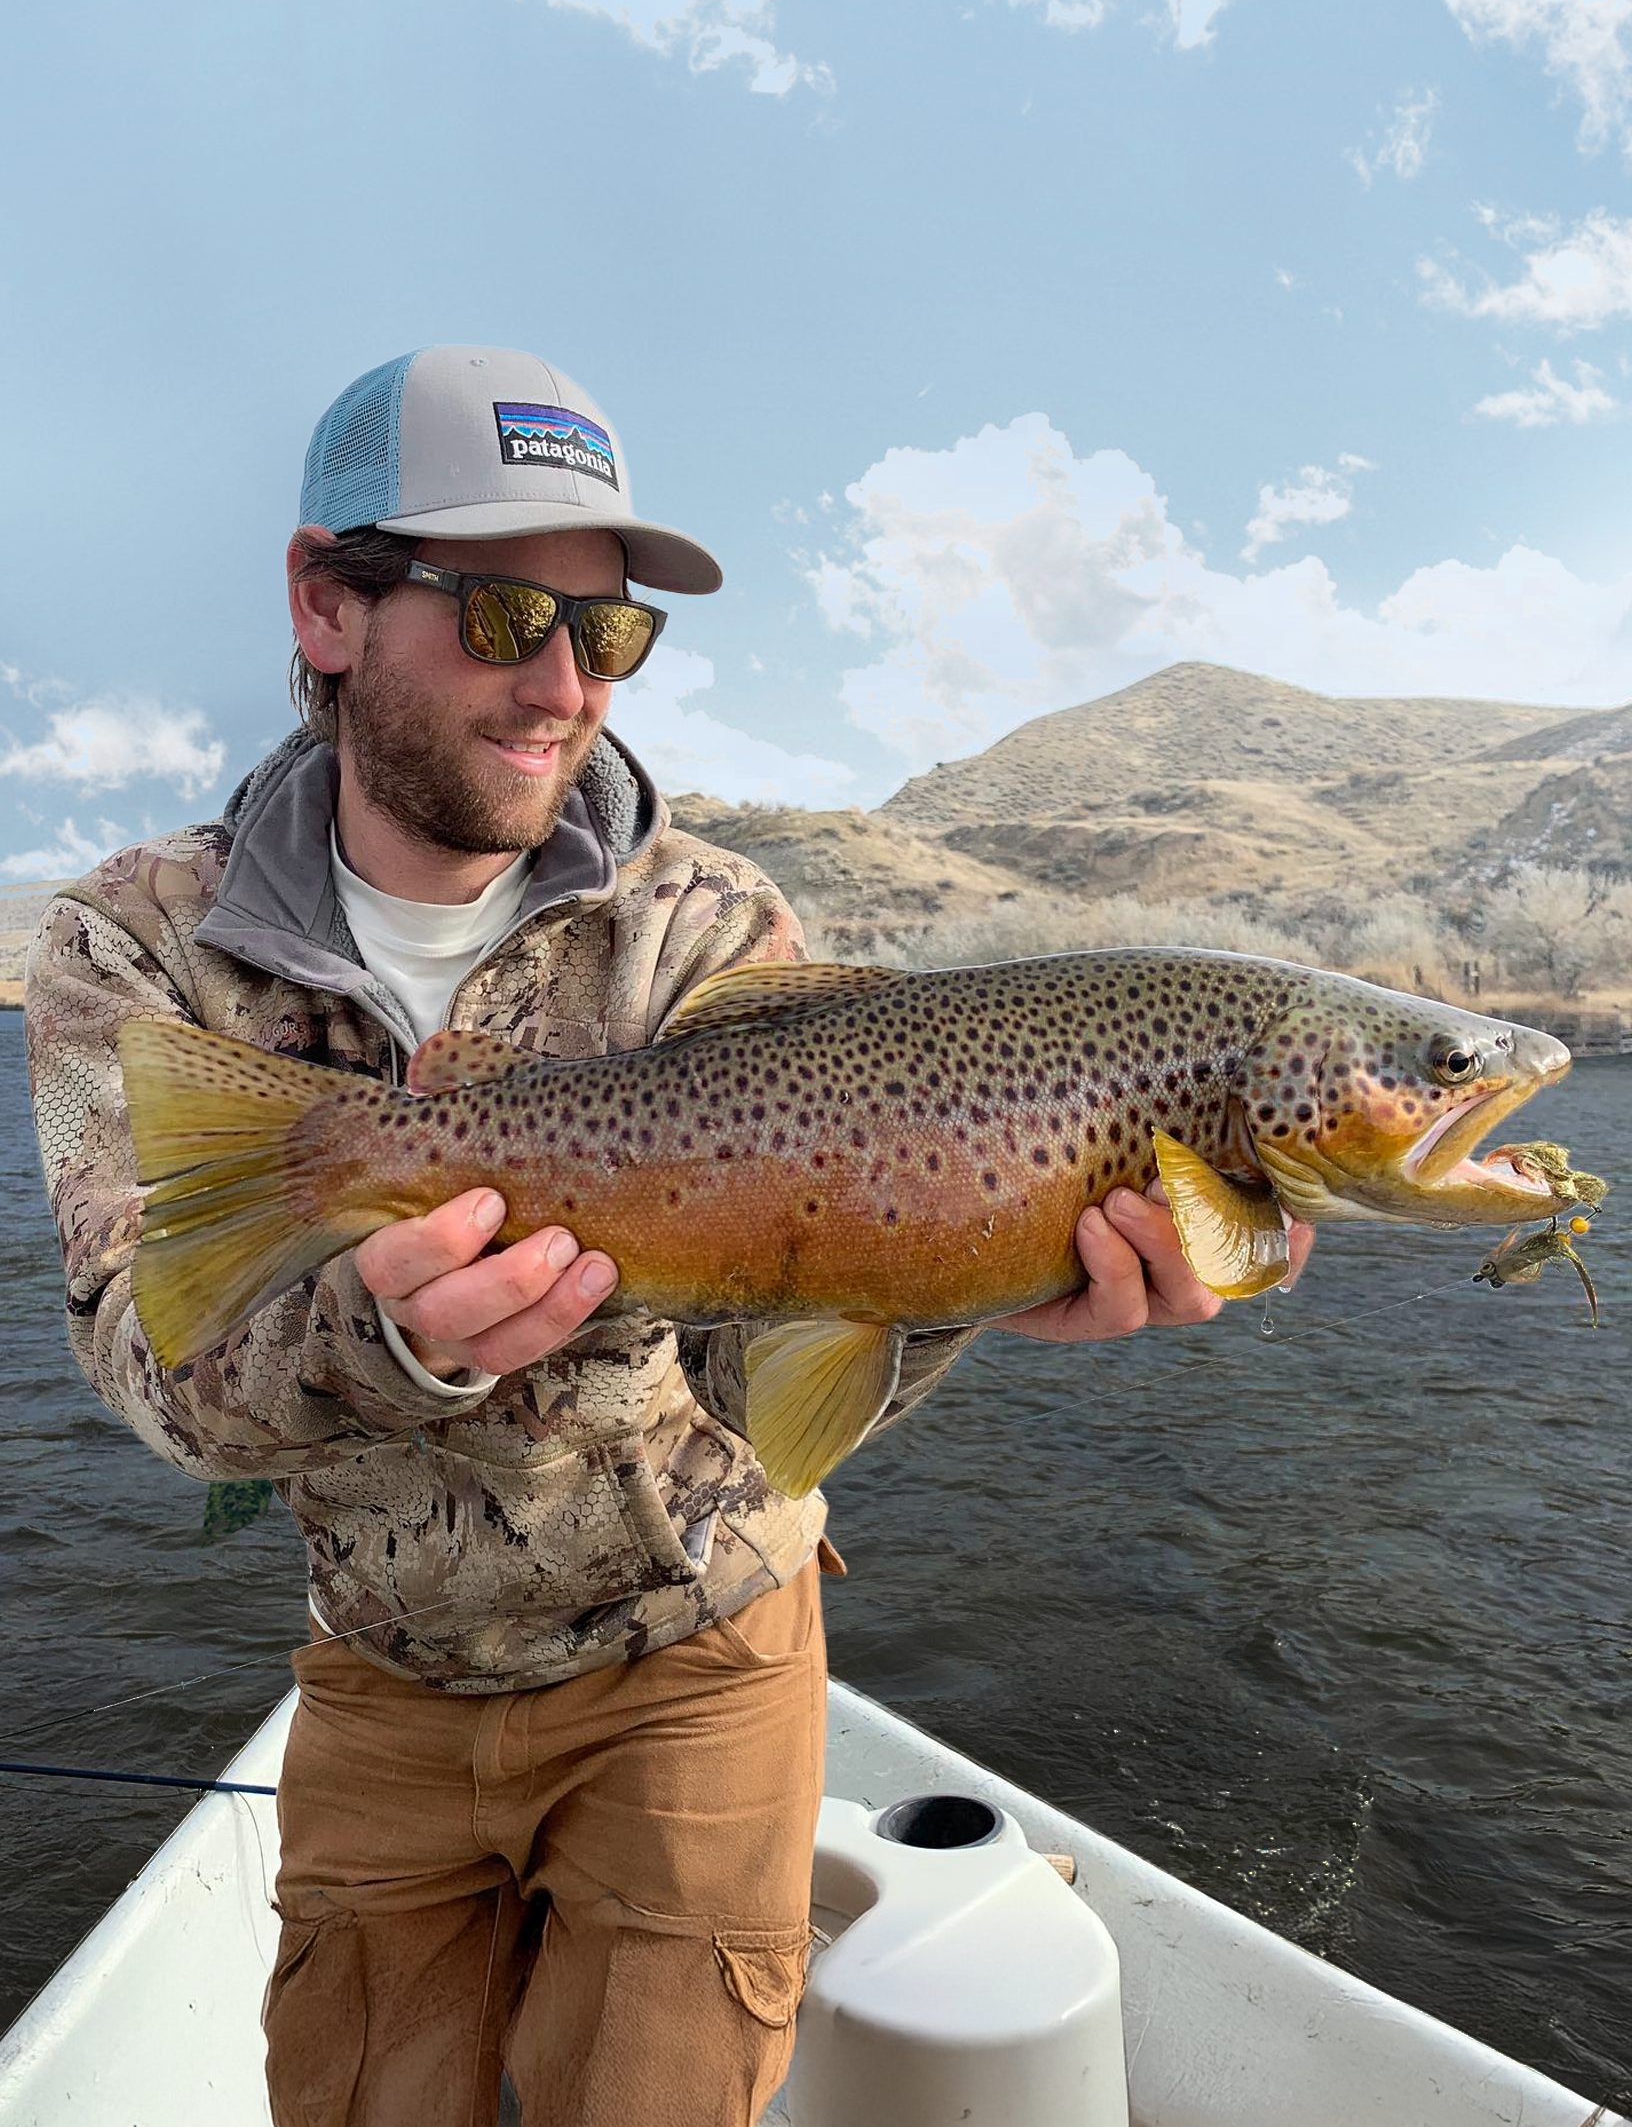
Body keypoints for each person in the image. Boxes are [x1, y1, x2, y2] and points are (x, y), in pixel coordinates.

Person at [25, 345, 1312, 2127]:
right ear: (326, 602)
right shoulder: (133, 952)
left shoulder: (718, 928)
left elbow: (758, 1372)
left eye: (608, 633)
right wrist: (387, 1338)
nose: (565, 682)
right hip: (384, 1675)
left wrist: (981, 1277)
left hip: (699, 1657)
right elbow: (149, 1364)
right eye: (497, 614)